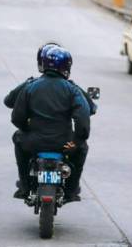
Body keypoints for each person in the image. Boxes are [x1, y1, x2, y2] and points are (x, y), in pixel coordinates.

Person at [9, 47, 91, 203]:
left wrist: (27, 130)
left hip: (33, 143)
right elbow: (83, 122)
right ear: (66, 67)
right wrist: (76, 141)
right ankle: (72, 190)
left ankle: (25, 186)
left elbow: (17, 118)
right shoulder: (72, 90)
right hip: (65, 145)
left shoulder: (30, 87)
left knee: (17, 138)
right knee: (82, 148)